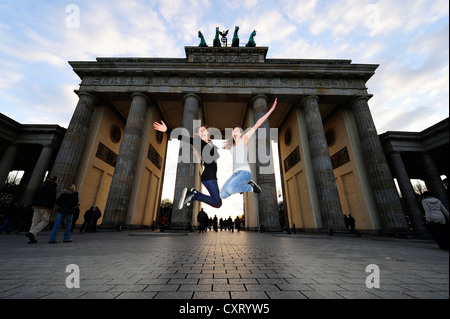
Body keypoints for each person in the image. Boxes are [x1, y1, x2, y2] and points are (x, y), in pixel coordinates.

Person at [153, 121, 222, 210]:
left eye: (203, 130)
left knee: (217, 202)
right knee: (217, 202)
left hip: (211, 177)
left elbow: (215, 156)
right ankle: (193, 195)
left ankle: (193, 194)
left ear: (208, 132)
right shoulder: (199, 142)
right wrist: (167, 130)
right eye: (200, 132)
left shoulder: (209, 143)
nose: (202, 133)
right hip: (209, 177)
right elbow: (184, 138)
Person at [220, 98, 278, 199]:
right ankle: (243, 186)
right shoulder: (232, 146)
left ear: (241, 133)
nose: (235, 133)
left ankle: (250, 187)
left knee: (230, 189)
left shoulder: (244, 139)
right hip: (236, 174)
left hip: (244, 172)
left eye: (237, 131)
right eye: (233, 131)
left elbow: (257, 124)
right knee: (222, 194)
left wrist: (271, 110)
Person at [26, 176, 58, 244]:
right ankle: (32, 232)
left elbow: (34, 196)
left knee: (34, 222)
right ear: (55, 181)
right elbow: (51, 199)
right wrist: (50, 208)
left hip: (36, 206)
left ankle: (31, 239)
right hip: (45, 207)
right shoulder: (53, 188)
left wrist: (34, 204)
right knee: (45, 221)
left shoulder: (41, 186)